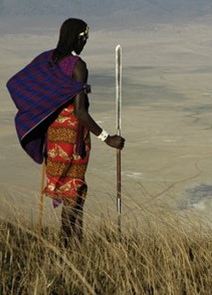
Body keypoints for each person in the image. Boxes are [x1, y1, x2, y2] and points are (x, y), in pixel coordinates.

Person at [7, 18, 125, 246]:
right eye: (85, 39)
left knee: (73, 189)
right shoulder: (77, 66)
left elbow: (21, 83)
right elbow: (80, 111)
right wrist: (106, 137)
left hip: (53, 136)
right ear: (79, 37)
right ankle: (65, 246)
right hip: (72, 137)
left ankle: (76, 244)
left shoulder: (48, 60)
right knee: (72, 191)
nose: (85, 43)